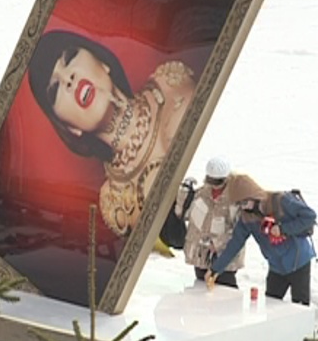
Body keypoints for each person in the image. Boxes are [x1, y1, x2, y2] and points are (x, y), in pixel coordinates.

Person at [27, 29, 196, 237]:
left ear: (102, 62)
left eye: (70, 58)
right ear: (70, 128)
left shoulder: (173, 82)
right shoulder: (115, 202)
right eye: (54, 90)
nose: (68, 80)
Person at [206, 187, 317, 307]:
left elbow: (310, 216)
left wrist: (283, 229)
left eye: (245, 202)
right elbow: (234, 245)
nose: (244, 207)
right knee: (271, 305)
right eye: (239, 204)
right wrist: (215, 269)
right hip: (276, 267)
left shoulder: (280, 201)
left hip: (298, 261)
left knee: (300, 307)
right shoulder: (246, 219)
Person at [179, 157, 269, 289]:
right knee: (201, 288)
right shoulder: (201, 194)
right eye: (212, 181)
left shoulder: (237, 198)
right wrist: (183, 196)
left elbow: (241, 229)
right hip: (200, 255)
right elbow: (186, 216)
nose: (215, 186)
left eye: (218, 182)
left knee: (225, 290)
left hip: (226, 257)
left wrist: (217, 243)